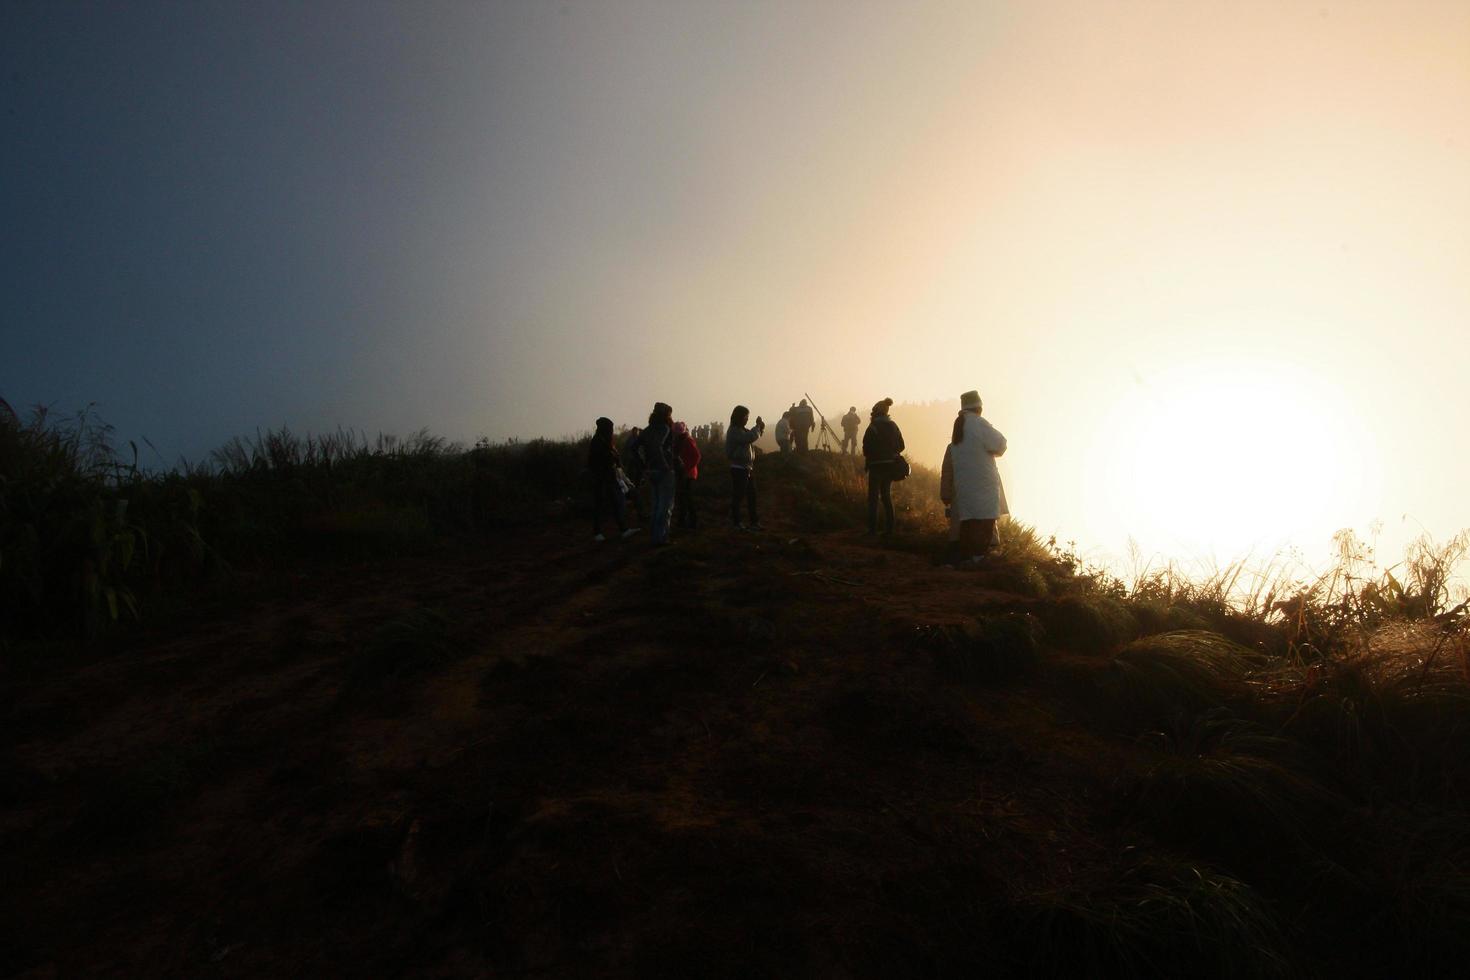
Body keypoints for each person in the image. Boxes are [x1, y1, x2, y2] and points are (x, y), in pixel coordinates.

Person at [948, 389, 1008, 561]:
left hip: (965, 484)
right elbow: (1001, 444)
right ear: (978, 407)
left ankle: (967, 557)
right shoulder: (978, 423)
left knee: (968, 520)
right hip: (983, 483)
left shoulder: (959, 425)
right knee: (987, 520)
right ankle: (979, 557)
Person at [588, 417, 640, 541]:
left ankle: (622, 529)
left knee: (614, 503)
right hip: (601, 478)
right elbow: (596, 461)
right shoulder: (598, 442)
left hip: (609, 477)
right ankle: (598, 532)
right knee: (600, 504)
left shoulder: (604, 441)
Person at [861, 397, 905, 535]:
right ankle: (889, 530)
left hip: (875, 467)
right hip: (890, 466)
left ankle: (872, 530)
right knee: (886, 496)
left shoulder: (872, 427)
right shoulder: (893, 426)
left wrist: (873, 456)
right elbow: (902, 446)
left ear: (875, 413)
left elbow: (866, 448)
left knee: (873, 498)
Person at [637, 403, 678, 546]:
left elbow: (634, 447)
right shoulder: (665, 428)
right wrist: (665, 464)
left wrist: (643, 464)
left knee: (656, 506)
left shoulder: (647, 430)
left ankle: (654, 536)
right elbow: (657, 446)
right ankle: (661, 539)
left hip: (651, 471)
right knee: (665, 507)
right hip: (664, 471)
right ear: (666, 415)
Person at [725, 405, 765, 529]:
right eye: (746, 417)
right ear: (740, 417)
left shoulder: (741, 430)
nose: (747, 419)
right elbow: (749, 438)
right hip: (738, 468)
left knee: (752, 496)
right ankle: (736, 522)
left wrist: (760, 428)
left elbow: (753, 436)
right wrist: (758, 427)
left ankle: (754, 522)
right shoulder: (734, 431)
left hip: (747, 467)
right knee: (738, 496)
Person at [673, 421, 702, 530]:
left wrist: (686, 468)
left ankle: (691, 522)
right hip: (682, 473)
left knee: (687, 499)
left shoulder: (687, 441)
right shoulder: (678, 441)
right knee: (683, 498)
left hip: (688, 474)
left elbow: (697, 456)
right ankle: (683, 521)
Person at [620, 425, 645, 522]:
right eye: (636, 431)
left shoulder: (636, 439)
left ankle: (637, 487)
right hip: (633, 461)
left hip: (636, 461)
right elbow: (627, 450)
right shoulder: (631, 440)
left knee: (636, 476)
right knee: (632, 477)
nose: (636, 432)